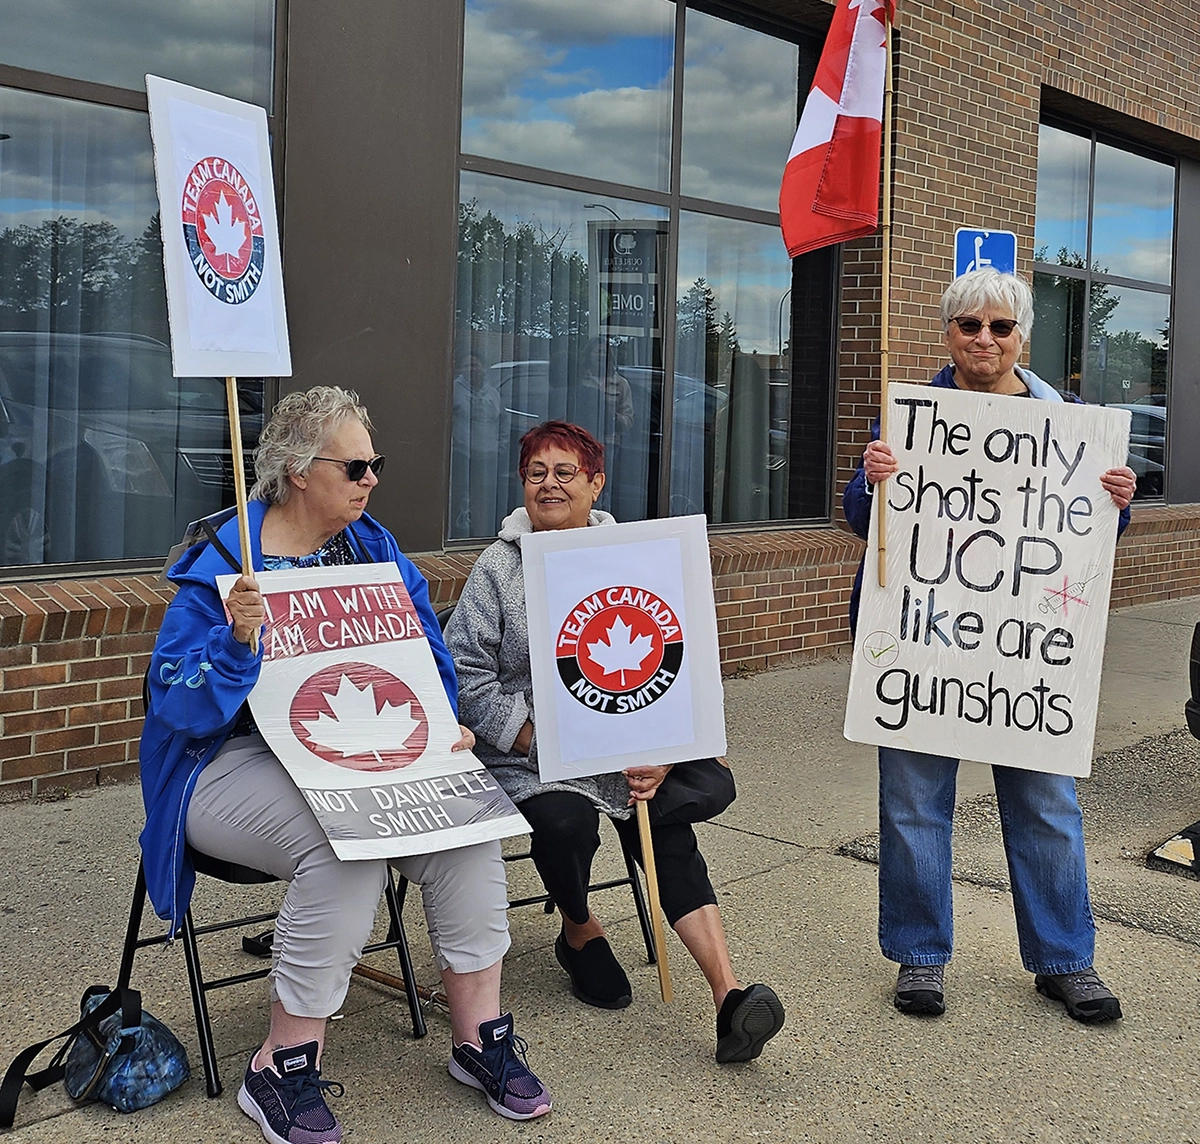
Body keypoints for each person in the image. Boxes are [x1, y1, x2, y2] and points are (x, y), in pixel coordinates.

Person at [138, 386, 551, 1144]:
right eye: (356, 467)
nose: (372, 481)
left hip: (362, 751)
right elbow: (179, 705)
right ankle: (281, 1065)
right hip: (227, 763)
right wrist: (234, 646)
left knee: (467, 826)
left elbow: (426, 654)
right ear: (297, 470)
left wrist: (441, 722)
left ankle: (479, 1035)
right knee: (346, 848)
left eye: (375, 466)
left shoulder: (374, 550)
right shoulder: (226, 561)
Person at [842, 269, 1136, 1024]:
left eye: (1000, 328)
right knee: (913, 806)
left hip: (1026, 652)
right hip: (921, 643)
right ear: (947, 334)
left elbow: (1090, 536)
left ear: (1022, 337)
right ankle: (920, 957)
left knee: (1046, 805)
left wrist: (1117, 501)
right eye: (969, 325)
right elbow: (859, 516)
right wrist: (869, 480)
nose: (984, 339)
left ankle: (1066, 959)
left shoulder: (1064, 421)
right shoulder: (910, 416)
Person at [444, 419, 785, 1064]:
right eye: (536, 472)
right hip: (532, 754)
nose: (549, 484)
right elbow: (464, 672)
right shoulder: (498, 568)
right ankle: (578, 930)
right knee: (566, 820)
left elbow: (676, 659)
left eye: (564, 472)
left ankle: (729, 997)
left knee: (662, 823)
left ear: (596, 484)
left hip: (627, 741)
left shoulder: (636, 557)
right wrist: (537, 734)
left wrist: (657, 743)